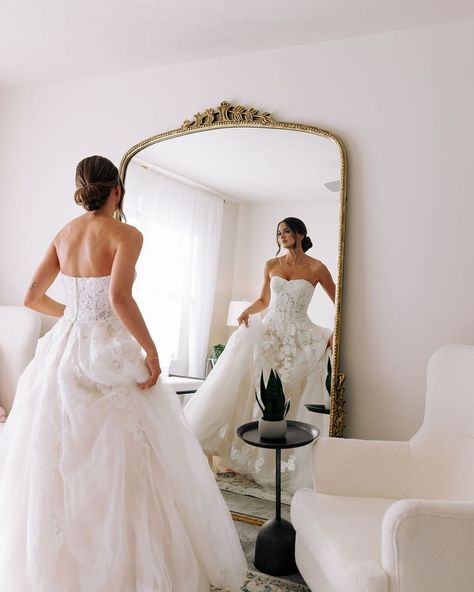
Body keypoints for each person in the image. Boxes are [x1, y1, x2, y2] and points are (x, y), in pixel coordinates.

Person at [0, 155, 246, 592]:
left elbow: (32, 296)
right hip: (104, 352)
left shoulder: (63, 234)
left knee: (56, 459)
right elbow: (118, 296)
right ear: (117, 190)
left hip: (63, 353)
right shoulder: (126, 234)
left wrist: (73, 316)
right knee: (127, 459)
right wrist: (150, 350)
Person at [184, 217, 335, 491]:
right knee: (259, 395)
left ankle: (287, 464)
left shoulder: (316, 267)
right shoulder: (271, 265)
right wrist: (247, 312)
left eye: (287, 231)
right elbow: (265, 301)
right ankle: (252, 458)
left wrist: (335, 334)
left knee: (295, 397)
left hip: (300, 339)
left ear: (300, 233)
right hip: (270, 336)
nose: (282, 236)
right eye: (278, 233)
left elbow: (341, 299)